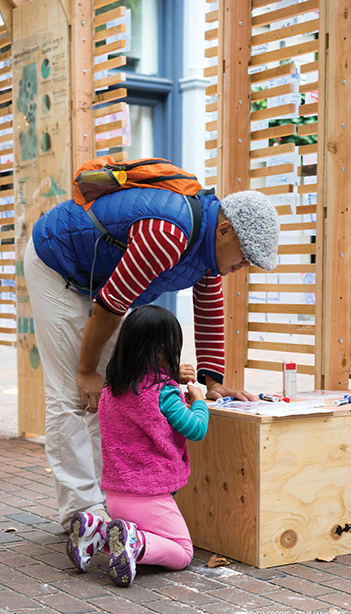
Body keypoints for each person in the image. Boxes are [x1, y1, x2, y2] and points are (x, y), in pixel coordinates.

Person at [25, 187, 279, 531]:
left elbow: (208, 310)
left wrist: (213, 382)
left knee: (120, 390)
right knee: (72, 394)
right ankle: (82, 513)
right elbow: (110, 306)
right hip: (59, 267)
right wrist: (86, 371)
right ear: (224, 230)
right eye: (245, 255)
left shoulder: (209, 251)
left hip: (102, 282)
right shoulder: (168, 234)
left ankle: (115, 499)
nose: (243, 266)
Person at [66, 305, 208, 586]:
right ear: (161, 351)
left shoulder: (111, 390)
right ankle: (136, 542)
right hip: (150, 495)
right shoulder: (164, 393)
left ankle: (99, 530)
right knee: (182, 552)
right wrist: (199, 400)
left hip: (117, 495)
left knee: (132, 528)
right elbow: (196, 429)